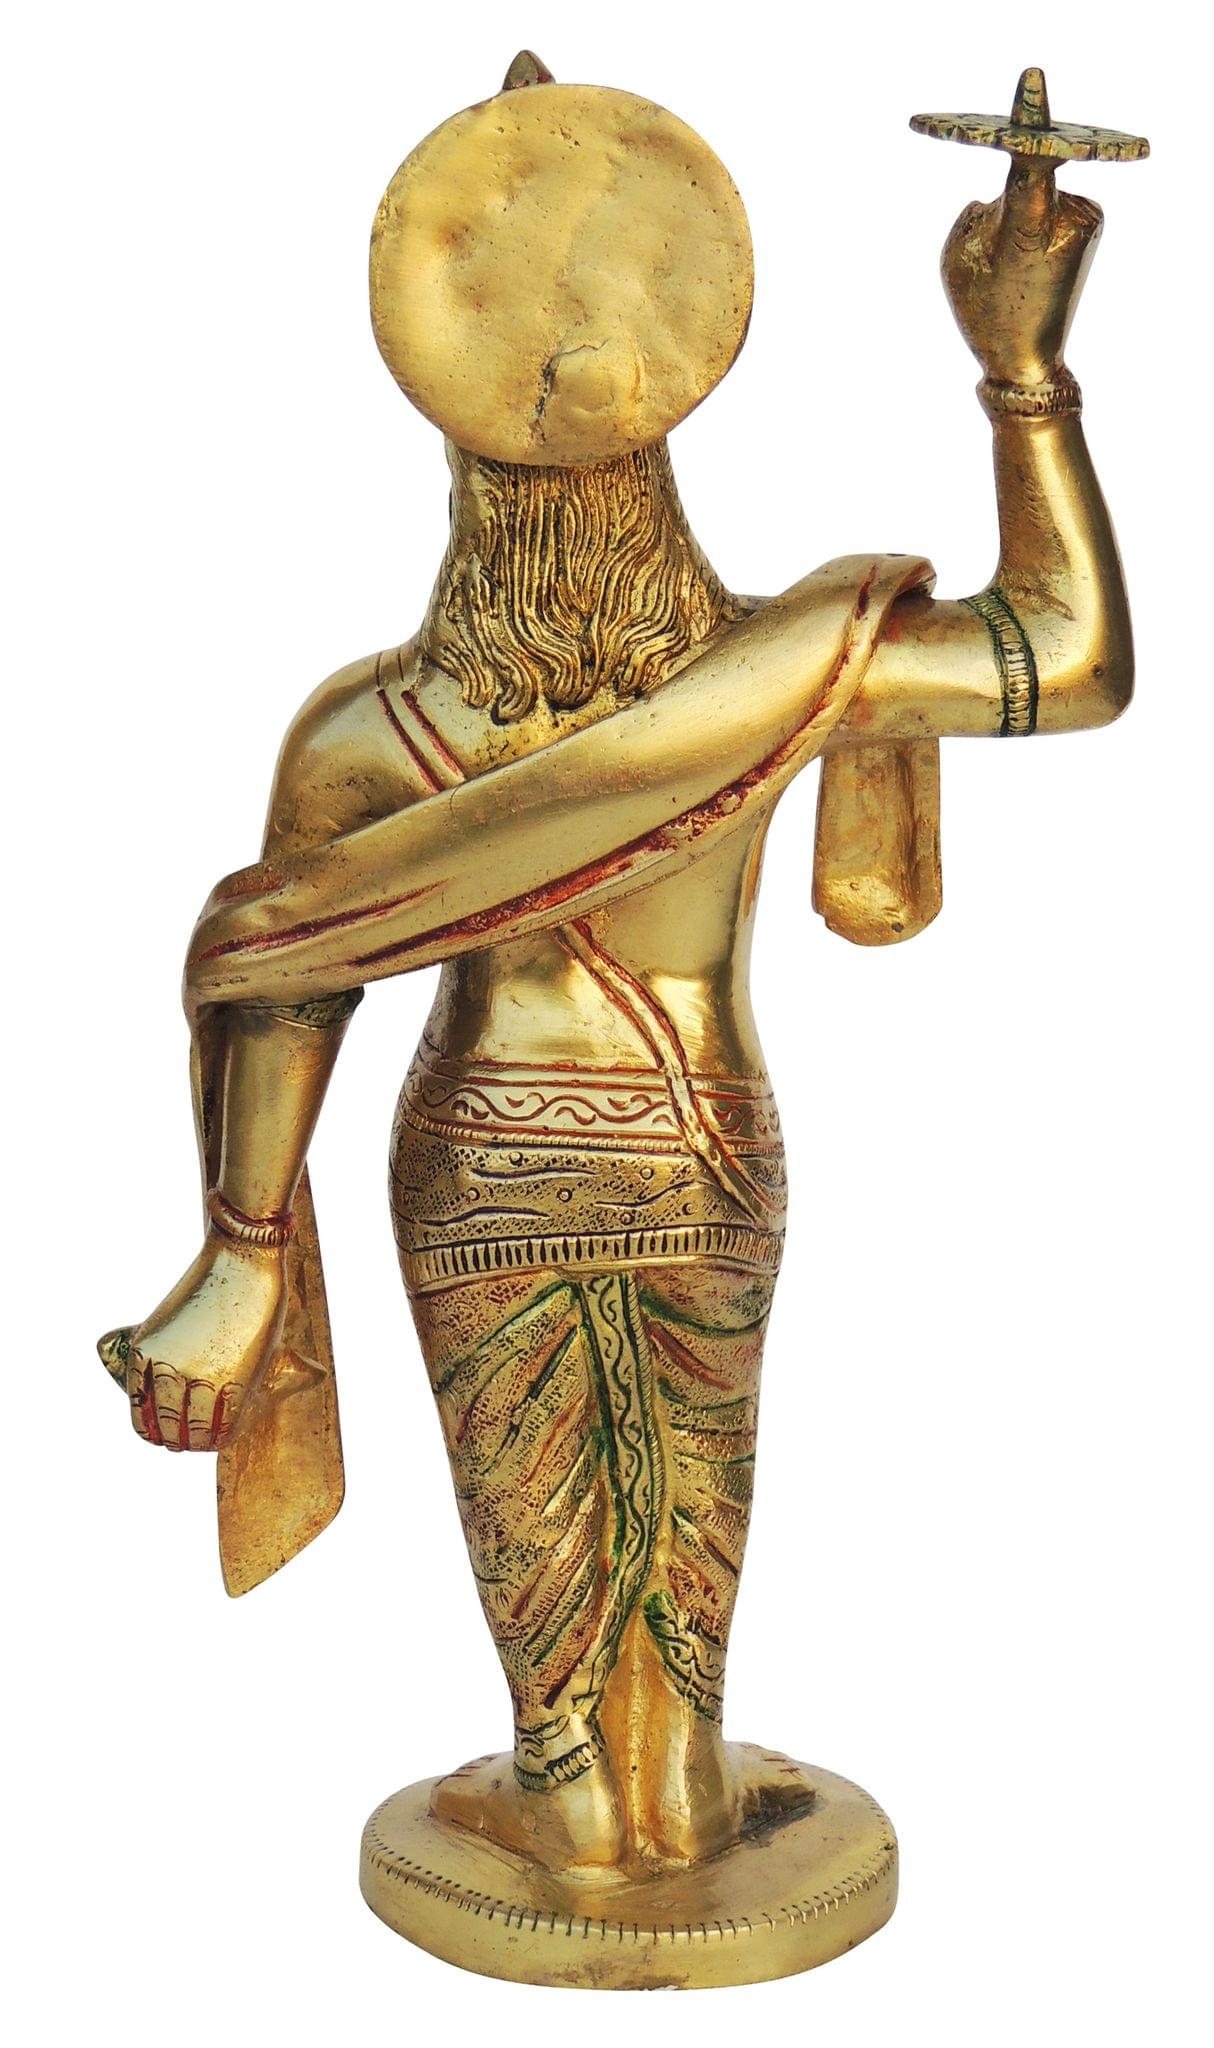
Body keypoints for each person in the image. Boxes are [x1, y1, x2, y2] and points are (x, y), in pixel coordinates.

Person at [100, 66, 1131, 1874]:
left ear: (459, 474)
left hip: (482, 1151)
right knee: (689, 1491)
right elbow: (1066, 656)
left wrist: (243, 1249)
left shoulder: (365, 733)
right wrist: (1019, 372)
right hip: (698, 1147)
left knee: (536, 1509)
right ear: (660, 462)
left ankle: (578, 1788)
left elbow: (278, 985)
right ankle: (671, 1787)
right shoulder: (787, 668)